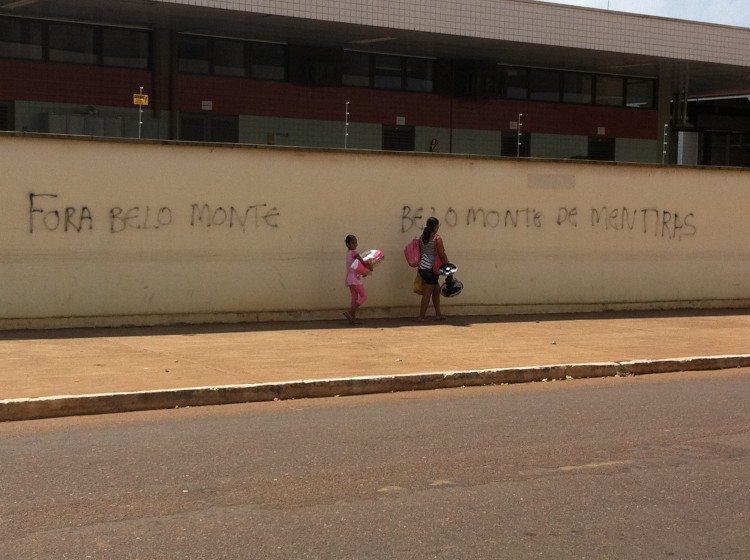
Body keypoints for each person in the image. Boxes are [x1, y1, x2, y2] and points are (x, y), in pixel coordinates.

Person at [417, 217, 448, 321]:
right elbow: (442, 254)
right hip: (431, 268)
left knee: (436, 290)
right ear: (435, 227)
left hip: (423, 267)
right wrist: (448, 266)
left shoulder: (422, 237)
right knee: (427, 293)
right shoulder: (436, 238)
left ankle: (438, 314)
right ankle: (421, 316)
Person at [344, 234, 372, 324]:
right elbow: (362, 262)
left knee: (354, 298)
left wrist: (364, 272)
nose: (355, 245)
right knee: (364, 296)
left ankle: (352, 318)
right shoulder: (354, 253)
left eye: (356, 243)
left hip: (350, 278)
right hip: (355, 279)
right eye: (353, 243)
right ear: (347, 244)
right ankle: (350, 312)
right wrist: (370, 267)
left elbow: (357, 266)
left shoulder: (348, 253)